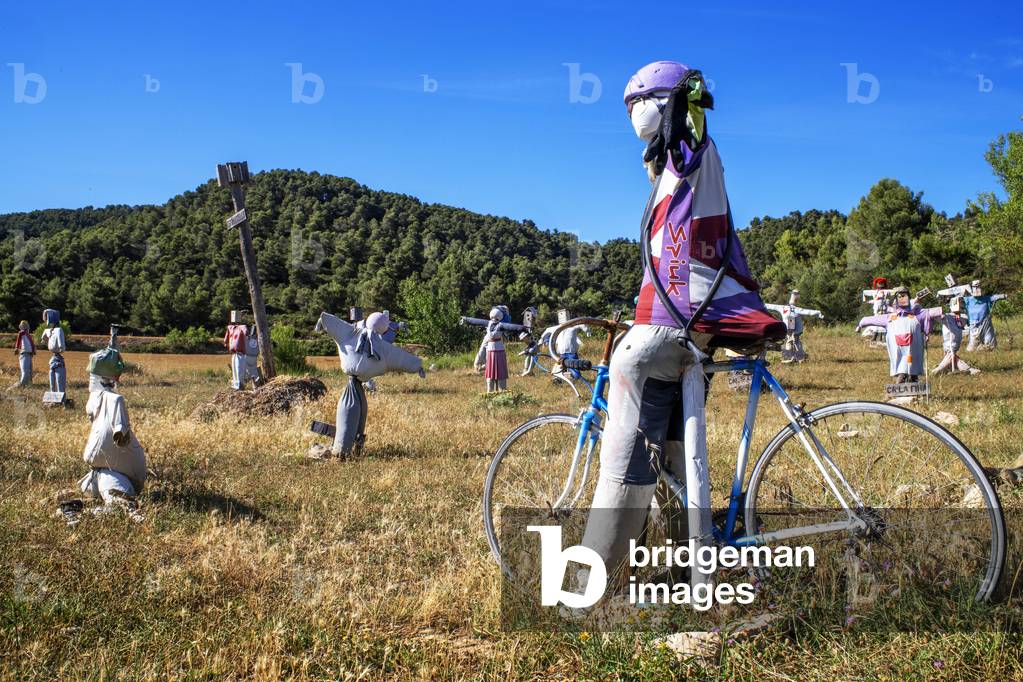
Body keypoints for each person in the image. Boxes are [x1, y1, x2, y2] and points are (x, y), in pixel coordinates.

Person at [578, 61, 786, 590]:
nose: (631, 113)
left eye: (636, 102)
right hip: (692, 320)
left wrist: (684, 108)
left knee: (624, 441)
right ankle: (678, 567)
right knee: (672, 450)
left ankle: (591, 582)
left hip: (677, 319)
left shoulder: (690, 147)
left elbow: (687, 130)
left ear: (666, 103)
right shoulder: (685, 166)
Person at [312, 310, 425, 458]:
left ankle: (349, 449)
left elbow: (336, 323)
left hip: (355, 385)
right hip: (358, 386)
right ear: (384, 330)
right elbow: (401, 358)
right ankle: (343, 451)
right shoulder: (382, 349)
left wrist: (323, 320)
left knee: (353, 413)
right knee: (357, 413)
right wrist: (417, 365)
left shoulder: (351, 333)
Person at [56, 345, 145, 525]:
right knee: (91, 489)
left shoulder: (114, 400)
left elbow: (120, 425)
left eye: (93, 376)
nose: (90, 380)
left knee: (119, 503)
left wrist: (120, 432)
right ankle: (76, 507)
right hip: (98, 471)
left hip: (115, 473)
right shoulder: (95, 399)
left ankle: (80, 513)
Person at [765, 290, 824, 363]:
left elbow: (770, 306)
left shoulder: (783, 308)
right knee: (794, 340)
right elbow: (807, 312)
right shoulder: (795, 309)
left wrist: (759, 305)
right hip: (793, 326)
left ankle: (793, 356)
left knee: (791, 340)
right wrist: (818, 313)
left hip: (789, 325)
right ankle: (797, 356)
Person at [474, 307, 511, 393]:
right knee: (490, 375)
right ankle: (490, 392)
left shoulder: (502, 327)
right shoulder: (490, 332)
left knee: (501, 376)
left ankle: (502, 392)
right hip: (491, 354)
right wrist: (477, 362)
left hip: (499, 353)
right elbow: (483, 347)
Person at [964, 280, 1007, 351]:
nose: (977, 289)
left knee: (990, 345)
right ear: (971, 288)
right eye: (975, 287)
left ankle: (987, 349)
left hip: (986, 324)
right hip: (974, 326)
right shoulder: (968, 300)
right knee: (972, 347)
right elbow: (957, 299)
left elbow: (995, 297)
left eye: (978, 287)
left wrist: (1004, 295)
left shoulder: (986, 298)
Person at [40, 309, 67, 396]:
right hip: (54, 358)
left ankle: (60, 396)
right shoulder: (48, 330)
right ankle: (53, 395)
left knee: (59, 380)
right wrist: (44, 339)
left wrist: (61, 347)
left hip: (57, 358)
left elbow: (60, 342)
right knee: (52, 380)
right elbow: (43, 338)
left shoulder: (59, 330)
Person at [223, 312, 247, 390]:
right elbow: (226, 341)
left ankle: (240, 386)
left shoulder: (242, 327)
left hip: (240, 353)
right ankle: (236, 385)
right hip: (234, 353)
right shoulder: (230, 328)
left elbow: (246, 333)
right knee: (235, 370)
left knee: (239, 370)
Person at [13, 320, 35, 387]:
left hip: (28, 354)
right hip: (25, 353)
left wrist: (33, 351)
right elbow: (18, 340)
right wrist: (16, 348)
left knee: (29, 371)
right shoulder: (22, 332)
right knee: (25, 371)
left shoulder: (28, 334)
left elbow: (31, 344)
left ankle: (28, 384)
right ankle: (21, 385)